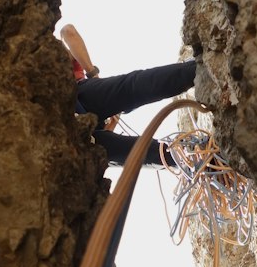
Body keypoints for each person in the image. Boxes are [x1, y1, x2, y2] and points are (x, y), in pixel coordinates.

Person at [60, 24, 196, 167]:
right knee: (133, 87)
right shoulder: (51, 61)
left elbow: (67, 32)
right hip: (79, 97)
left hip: (74, 138)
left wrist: (108, 127)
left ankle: (199, 159)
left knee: (139, 152)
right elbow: (68, 32)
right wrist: (93, 75)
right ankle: (195, 70)